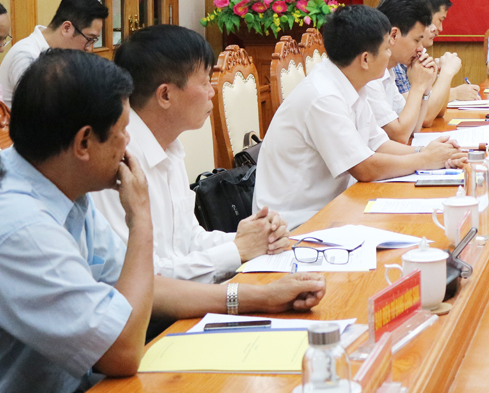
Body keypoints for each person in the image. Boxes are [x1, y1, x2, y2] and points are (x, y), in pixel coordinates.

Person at [0, 49, 325, 393]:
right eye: (122, 132)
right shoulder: (22, 227)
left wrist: (262, 298)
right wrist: (140, 219)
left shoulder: (64, 185)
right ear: (83, 142)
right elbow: (121, 353)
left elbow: (148, 286)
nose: (129, 144)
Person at [91, 25, 289, 284]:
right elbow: (142, 277)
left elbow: (187, 240)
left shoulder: (169, 146)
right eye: (205, 81)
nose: (212, 91)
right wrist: (237, 250)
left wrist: (253, 237)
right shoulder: (118, 159)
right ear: (165, 94)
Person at [253, 5, 465, 228]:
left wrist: (430, 152)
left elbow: (379, 144)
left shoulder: (353, 82)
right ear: (365, 59)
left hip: (335, 208)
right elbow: (365, 168)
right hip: (294, 224)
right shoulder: (323, 97)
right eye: (386, 49)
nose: (390, 54)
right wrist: (425, 160)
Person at [0, 0, 105, 107]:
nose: (89, 48)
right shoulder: (26, 55)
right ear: (66, 28)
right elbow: (45, 113)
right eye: (89, 39)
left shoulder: (62, 57)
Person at [400, 0, 480, 126]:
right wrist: (447, 73)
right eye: (440, 20)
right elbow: (425, 118)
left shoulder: (420, 53)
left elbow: (439, 111)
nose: (440, 29)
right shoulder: (398, 59)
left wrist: (443, 73)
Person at [366, 0, 438, 143]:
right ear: (393, 35)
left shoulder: (389, 71)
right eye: (417, 40)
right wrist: (417, 86)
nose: (421, 49)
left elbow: (413, 128)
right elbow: (400, 136)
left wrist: (425, 88)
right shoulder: (368, 73)